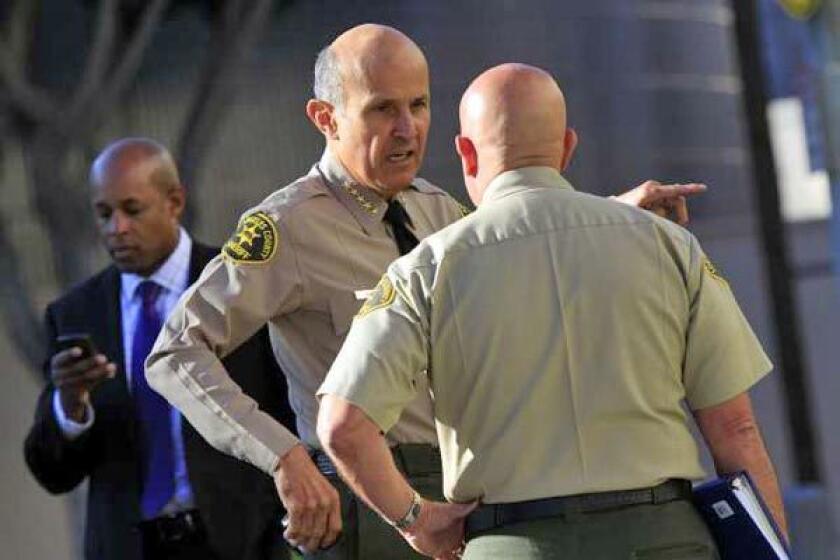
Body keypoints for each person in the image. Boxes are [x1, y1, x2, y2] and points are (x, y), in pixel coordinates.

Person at [146, 24, 707, 559]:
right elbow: (175, 353)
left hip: (470, 493)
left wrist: (614, 213)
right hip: (369, 502)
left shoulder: (436, 210)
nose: (407, 128)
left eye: (418, 104)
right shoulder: (286, 226)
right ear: (325, 118)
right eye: (382, 108)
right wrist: (283, 458)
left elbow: (522, 241)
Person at [316, 63, 787, 560]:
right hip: (665, 540)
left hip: (512, 544)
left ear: (467, 153)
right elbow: (737, 431)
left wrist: (416, 519)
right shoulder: (670, 247)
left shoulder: (425, 269)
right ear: (566, 146)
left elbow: (343, 425)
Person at [23, 138, 296, 560]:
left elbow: (288, 412)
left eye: (132, 210)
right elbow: (52, 472)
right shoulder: (76, 313)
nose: (117, 228)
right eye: (103, 214)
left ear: (174, 201)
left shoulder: (239, 286)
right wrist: (71, 406)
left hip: (241, 544)